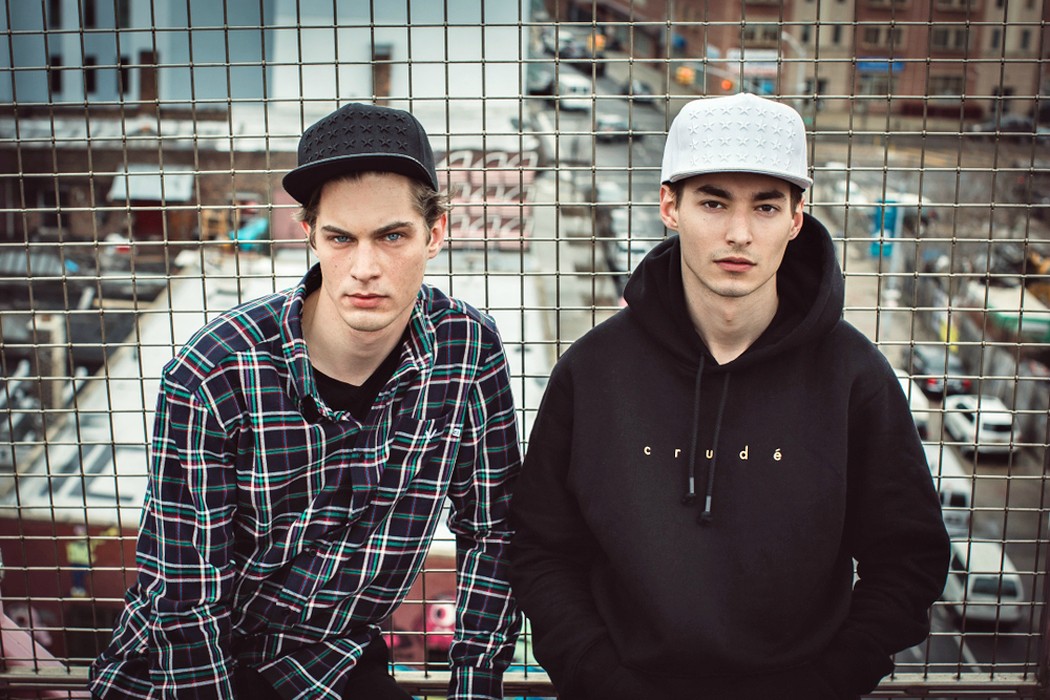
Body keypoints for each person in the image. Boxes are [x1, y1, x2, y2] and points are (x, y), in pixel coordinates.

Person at [508, 92, 950, 699]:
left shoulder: (856, 378)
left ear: (796, 218)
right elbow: (541, 549)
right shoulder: (591, 373)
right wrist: (600, 678)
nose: (739, 234)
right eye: (713, 203)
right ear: (670, 207)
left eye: (765, 207)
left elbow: (907, 560)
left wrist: (827, 683)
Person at [89, 102, 523, 700]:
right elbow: (183, 597)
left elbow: (493, 532)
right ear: (309, 234)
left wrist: (476, 687)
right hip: (189, 667)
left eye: (392, 236)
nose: (365, 268)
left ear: (435, 234)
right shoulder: (215, 373)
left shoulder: (466, 351)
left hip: (331, 659)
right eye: (341, 238)